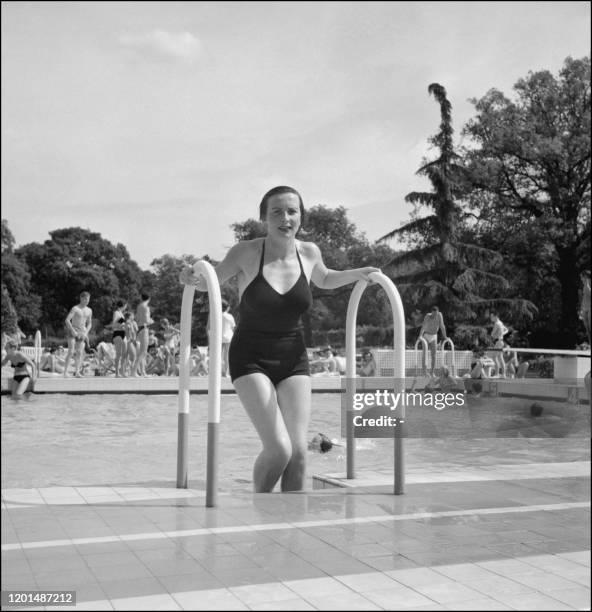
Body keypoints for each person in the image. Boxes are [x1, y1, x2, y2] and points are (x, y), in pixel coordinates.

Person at [180, 186, 379, 493]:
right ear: (264, 217)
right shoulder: (246, 252)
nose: (285, 218)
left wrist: (357, 273)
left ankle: (290, 531)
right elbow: (211, 282)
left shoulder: (309, 252)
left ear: (301, 216)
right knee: (279, 450)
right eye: (276, 212)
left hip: (293, 357)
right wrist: (191, 277)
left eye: (292, 211)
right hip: (250, 357)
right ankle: (261, 508)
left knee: (299, 454)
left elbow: (324, 278)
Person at [63, 291, 93, 377]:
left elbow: (90, 323)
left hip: (82, 331)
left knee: (79, 352)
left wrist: (86, 332)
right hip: (73, 329)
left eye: (88, 299)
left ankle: (77, 372)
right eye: (85, 299)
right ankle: (65, 372)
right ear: (81, 298)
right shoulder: (75, 308)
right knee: (71, 351)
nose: (87, 301)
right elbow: (67, 320)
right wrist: (72, 330)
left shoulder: (89, 310)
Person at [418, 306, 448, 377]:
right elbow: (423, 327)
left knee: (434, 355)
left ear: (438, 312)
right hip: (426, 335)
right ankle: (424, 372)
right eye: (434, 314)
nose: (435, 315)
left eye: (436, 314)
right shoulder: (427, 316)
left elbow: (442, 326)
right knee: (425, 354)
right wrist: (420, 335)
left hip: (434, 336)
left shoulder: (439, 315)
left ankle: (432, 372)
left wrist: (445, 336)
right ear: (431, 312)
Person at [132, 293, 153, 377]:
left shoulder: (139, 306)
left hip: (140, 328)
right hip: (144, 328)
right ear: (149, 298)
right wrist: (152, 321)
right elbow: (147, 320)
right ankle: (133, 371)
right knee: (143, 352)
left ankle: (143, 372)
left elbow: (137, 318)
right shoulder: (146, 307)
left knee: (142, 352)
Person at [110, 300, 128, 377]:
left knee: (124, 354)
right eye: (125, 306)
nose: (126, 307)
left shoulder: (121, 313)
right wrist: (121, 325)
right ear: (123, 306)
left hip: (123, 333)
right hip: (117, 333)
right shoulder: (116, 313)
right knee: (118, 354)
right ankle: (117, 373)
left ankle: (122, 371)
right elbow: (113, 325)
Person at [490, 310, 509, 377]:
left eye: (492, 316)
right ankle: (503, 374)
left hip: (498, 342)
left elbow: (492, 334)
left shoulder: (496, 323)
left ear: (496, 316)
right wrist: (501, 334)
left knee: (494, 357)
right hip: (501, 341)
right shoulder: (501, 323)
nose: (491, 318)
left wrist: (496, 335)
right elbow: (507, 330)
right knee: (500, 358)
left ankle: (497, 374)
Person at [221, 300, 236, 377]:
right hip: (228, 338)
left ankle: (219, 372)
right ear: (227, 308)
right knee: (226, 356)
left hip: (219, 338)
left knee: (219, 356)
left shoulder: (216, 315)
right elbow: (233, 328)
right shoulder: (230, 316)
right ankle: (226, 373)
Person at [123, 312, 139, 376]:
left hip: (129, 340)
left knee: (126, 357)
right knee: (134, 356)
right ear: (129, 316)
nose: (133, 317)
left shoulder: (131, 323)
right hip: (129, 341)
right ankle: (133, 372)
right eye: (132, 316)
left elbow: (136, 330)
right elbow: (130, 332)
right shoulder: (128, 323)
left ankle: (127, 372)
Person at [579, 270, 591, 345]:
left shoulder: (588, 283)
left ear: (585, 276)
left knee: (590, 326)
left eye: (581, 277)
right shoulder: (582, 285)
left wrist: (587, 284)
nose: (581, 278)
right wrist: (580, 308)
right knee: (587, 329)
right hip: (584, 307)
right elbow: (582, 297)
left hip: (590, 307)